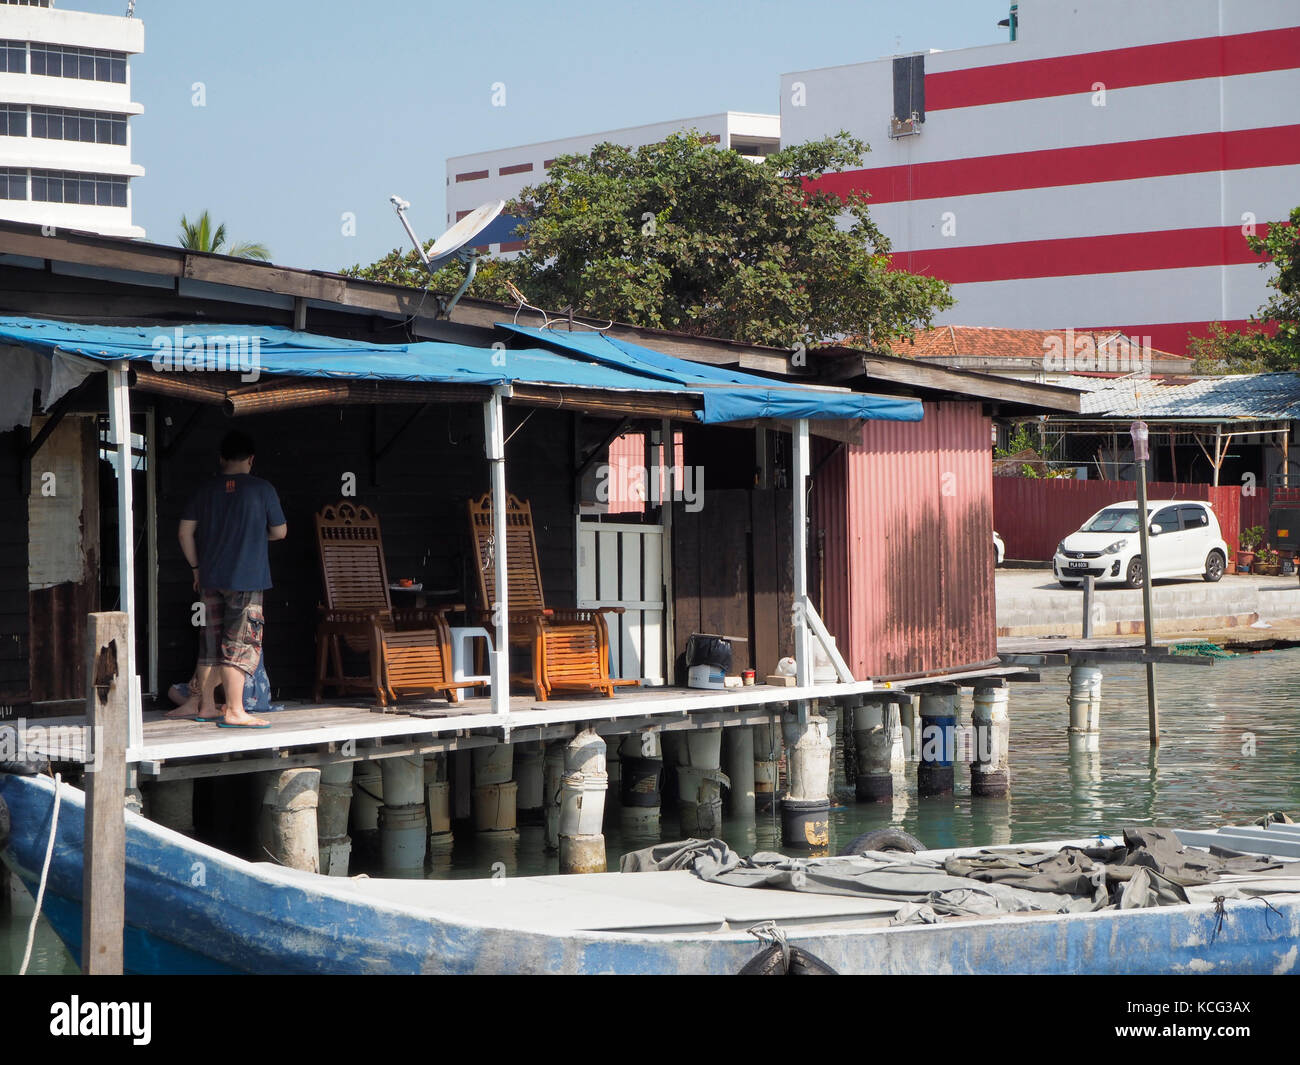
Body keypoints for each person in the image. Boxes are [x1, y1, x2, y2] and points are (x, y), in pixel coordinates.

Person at [168, 430, 287, 728]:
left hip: (210, 576)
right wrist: (255, 536)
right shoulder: (263, 489)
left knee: (210, 644)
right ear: (251, 459)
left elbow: (184, 532)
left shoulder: (205, 490)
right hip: (246, 578)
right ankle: (234, 710)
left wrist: (196, 567)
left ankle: (206, 705)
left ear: (221, 459)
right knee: (239, 644)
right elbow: (280, 532)